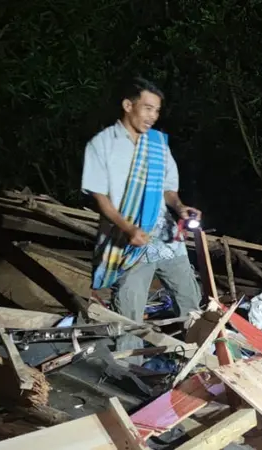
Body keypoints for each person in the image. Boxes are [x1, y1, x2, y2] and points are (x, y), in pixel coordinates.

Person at [81, 77, 202, 361]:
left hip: (167, 240)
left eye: (157, 110)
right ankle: (127, 376)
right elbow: (100, 197)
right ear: (127, 105)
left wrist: (181, 207)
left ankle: (196, 360)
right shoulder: (103, 146)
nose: (153, 116)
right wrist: (127, 228)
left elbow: (168, 190)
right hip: (130, 244)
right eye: (147, 108)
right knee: (129, 315)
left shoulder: (158, 145)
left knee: (192, 303)